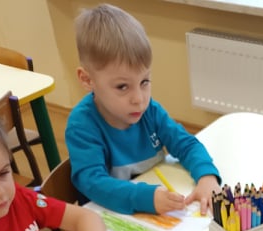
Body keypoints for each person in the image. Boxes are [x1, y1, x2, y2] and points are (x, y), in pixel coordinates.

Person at [65, 3, 221, 216]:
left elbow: (186, 144)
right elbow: (92, 183)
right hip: (109, 220)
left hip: (155, 214)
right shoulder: (82, 125)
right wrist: (144, 197)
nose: (139, 99)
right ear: (87, 79)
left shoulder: (150, 112)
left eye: (144, 81)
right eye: (122, 87)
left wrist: (206, 177)